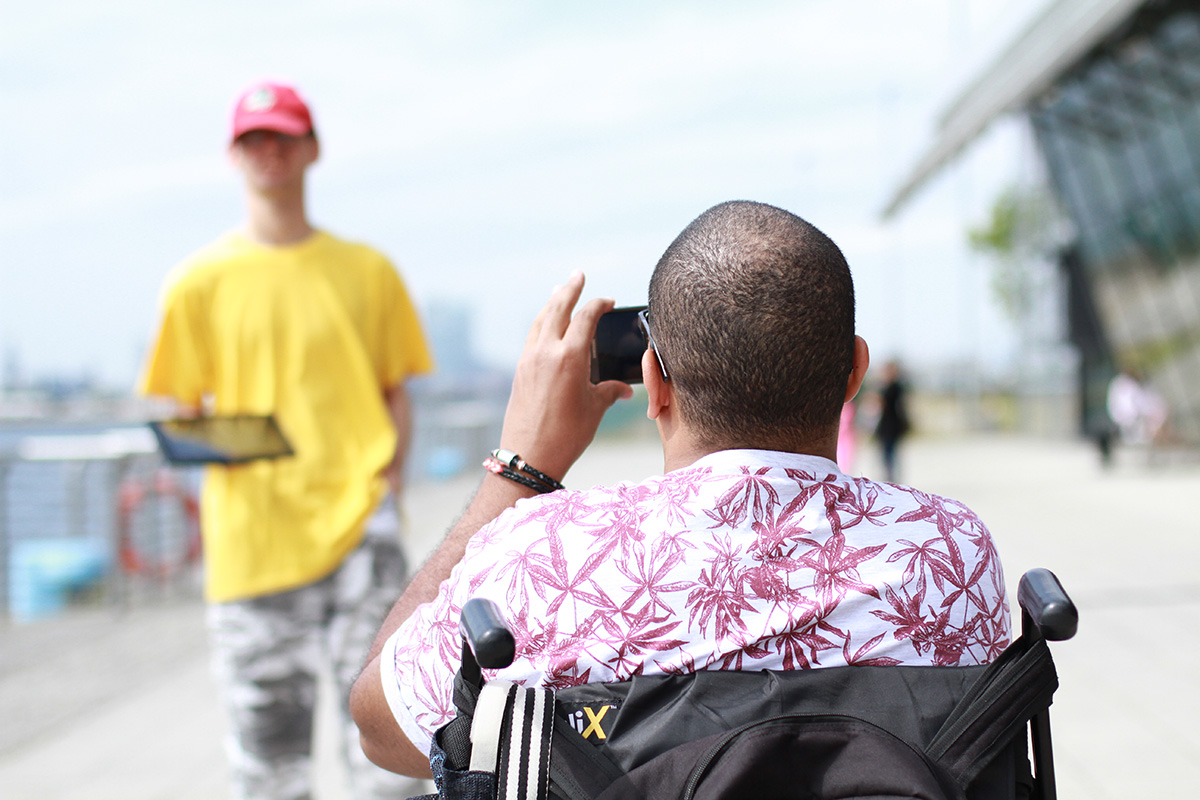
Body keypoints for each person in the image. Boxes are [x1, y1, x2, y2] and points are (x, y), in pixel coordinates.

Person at [349, 201, 1010, 778]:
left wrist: (519, 470)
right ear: (854, 373)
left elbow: (382, 727)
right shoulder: (952, 552)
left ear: (653, 383)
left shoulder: (543, 557)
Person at [139, 80, 434, 800]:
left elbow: (395, 395)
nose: (269, 151)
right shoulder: (196, 283)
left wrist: (386, 489)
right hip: (254, 547)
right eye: (254, 139)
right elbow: (179, 410)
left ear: (311, 149)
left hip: (361, 536)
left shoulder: (368, 270)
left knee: (390, 761)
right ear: (234, 155)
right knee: (269, 771)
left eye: (282, 135)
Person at [874, 359, 910, 482]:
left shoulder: (892, 388)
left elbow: (881, 403)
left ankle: (890, 477)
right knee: (889, 454)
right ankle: (890, 477)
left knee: (889, 454)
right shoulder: (897, 387)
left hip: (890, 426)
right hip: (890, 425)